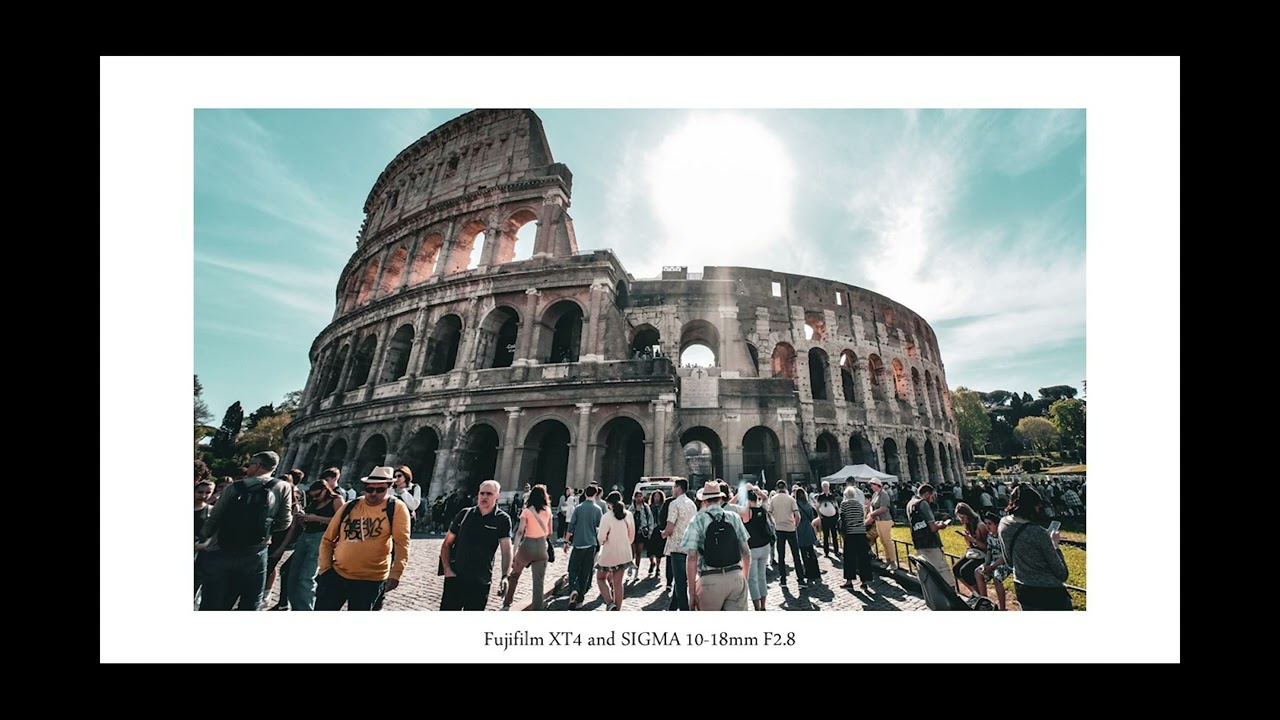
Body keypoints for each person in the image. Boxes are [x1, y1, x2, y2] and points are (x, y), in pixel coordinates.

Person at [195, 451, 294, 610]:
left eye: (250, 465)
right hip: (256, 551)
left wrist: (203, 538)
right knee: (251, 600)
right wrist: (265, 530)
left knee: (213, 599)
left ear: (258, 466)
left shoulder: (234, 486)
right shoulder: (283, 487)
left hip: (223, 547)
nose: (248, 468)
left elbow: (215, 517)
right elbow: (285, 521)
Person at [315, 466, 411, 611]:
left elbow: (402, 542)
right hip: (337, 575)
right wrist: (325, 569)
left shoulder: (396, 507)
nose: (373, 493)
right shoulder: (350, 506)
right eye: (369, 489)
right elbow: (328, 539)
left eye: (380, 490)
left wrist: (396, 574)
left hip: (371, 580)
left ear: (389, 488)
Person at [439, 480, 513, 611]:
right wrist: (447, 570)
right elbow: (447, 544)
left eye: (489, 494)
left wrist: (505, 576)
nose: (484, 497)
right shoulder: (465, 514)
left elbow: (506, 550)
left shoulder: (503, 519)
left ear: (497, 496)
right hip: (456, 578)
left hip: (481, 582)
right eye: (482, 493)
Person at [998, 484, 1071, 611]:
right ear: (1031, 507)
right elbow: (1062, 573)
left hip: (1023, 589)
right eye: (1037, 506)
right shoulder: (1038, 533)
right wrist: (1055, 545)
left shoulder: (1003, 524)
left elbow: (1009, 561)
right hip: (1050, 593)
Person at [681, 481, 751, 611]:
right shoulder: (734, 517)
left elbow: (691, 558)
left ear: (704, 501)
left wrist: (692, 591)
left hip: (709, 580)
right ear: (720, 499)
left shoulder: (697, 520)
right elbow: (746, 553)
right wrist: (744, 578)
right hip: (735, 576)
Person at [287, 478, 345, 610]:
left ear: (325, 490)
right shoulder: (314, 501)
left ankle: (305, 609)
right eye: (313, 496)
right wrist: (304, 518)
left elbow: (341, 521)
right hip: (305, 535)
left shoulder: (336, 499)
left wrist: (316, 518)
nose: (315, 498)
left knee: (306, 578)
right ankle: (295, 607)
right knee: (293, 575)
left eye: (318, 495)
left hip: (321, 537)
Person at [501, 483, 553, 611]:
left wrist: (514, 551)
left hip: (527, 546)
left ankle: (507, 603)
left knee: (514, 576)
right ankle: (537, 610)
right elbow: (550, 532)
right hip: (541, 547)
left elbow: (519, 532)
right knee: (538, 583)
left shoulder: (527, 511)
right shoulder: (548, 511)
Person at [907, 482, 955, 587]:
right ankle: (950, 593)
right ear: (927, 494)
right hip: (931, 543)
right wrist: (943, 524)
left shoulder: (910, 503)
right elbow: (933, 528)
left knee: (928, 571)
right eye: (932, 496)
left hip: (919, 542)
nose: (932, 500)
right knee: (942, 570)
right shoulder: (923, 503)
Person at [564, 484, 604, 610]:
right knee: (585, 572)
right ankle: (580, 599)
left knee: (573, 569)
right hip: (591, 544)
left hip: (578, 544)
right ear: (596, 494)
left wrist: (566, 541)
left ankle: (574, 589)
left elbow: (571, 526)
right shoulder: (598, 509)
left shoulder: (578, 508)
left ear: (585, 493)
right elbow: (600, 528)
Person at [661, 478, 699, 610]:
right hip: (690, 546)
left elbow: (670, 527)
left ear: (678, 488)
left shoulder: (674, 504)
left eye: (673, 487)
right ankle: (673, 607)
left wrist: (663, 533)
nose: (672, 490)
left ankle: (684, 609)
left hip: (677, 547)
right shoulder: (692, 504)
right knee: (682, 580)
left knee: (680, 582)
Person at [595, 491, 636, 610]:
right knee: (618, 583)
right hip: (624, 553)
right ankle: (617, 610)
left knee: (601, 578)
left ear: (609, 503)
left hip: (609, 553)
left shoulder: (606, 517)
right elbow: (631, 536)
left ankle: (609, 602)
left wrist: (604, 541)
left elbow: (601, 537)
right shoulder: (628, 515)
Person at [766, 480, 803, 588]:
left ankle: (783, 580)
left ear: (777, 488)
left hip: (779, 528)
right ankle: (800, 579)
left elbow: (769, 513)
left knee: (781, 556)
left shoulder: (773, 499)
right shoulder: (791, 499)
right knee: (796, 555)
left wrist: (774, 522)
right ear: (786, 487)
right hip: (790, 528)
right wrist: (795, 525)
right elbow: (798, 515)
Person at [742, 486, 773, 610]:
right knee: (762, 577)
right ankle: (763, 605)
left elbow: (732, 506)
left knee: (752, 579)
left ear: (748, 501)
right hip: (765, 546)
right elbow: (765, 499)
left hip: (753, 548)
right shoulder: (762, 509)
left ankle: (757, 607)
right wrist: (759, 492)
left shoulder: (747, 513)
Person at [952, 502, 990, 601]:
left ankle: (982, 598)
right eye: (960, 518)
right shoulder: (968, 525)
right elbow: (970, 546)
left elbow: (987, 547)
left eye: (962, 517)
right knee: (956, 569)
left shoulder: (980, 526)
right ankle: (975, 593)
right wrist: (966, 538)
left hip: (984, 554)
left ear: (968, 514)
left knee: (965, 571)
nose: (962, 520)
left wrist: (973, 540)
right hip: (975, 553)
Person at [838, 484, 872, 590]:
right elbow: (862, 517)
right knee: (863, 557)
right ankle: (864, 581)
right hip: (861, 532)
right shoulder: (859, 505)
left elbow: (842, 518)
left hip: (850, 533)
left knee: (849, 558)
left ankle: (849, 581)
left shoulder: (844, 504)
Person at [980, 511, 1010, 610]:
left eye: (990, 524)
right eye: (986, 524)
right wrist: (986, 564)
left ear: (996, 524)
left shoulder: (1003, 536)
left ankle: (1002, 608)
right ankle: (985, 602)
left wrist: (992, 567)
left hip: (1005, 562)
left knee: (997, 577)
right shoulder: (990, 536)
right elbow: (989, 552)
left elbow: (1005, 556)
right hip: (993, 562)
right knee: (978, 572)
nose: (987, 526)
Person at [866, 478, 898, 569]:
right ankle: (888, 561)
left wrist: (872, 514)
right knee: (883, 541)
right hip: (878, 520)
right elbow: (872, 505)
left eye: (872, 485)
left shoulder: (884, 494)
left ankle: (893, 562)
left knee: (888, 541)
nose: (871, 487)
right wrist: (872, 513)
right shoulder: (875, 494)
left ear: (877, 485)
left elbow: (883, 508)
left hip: (885, 520)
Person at [794, 487, 821, 586]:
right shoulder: (808, 505)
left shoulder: (796, 505)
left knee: (803, 552)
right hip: (809, 528)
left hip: (800, 529)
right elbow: (813, 517)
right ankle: (816, 571)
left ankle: (808, 572)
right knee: (811, 551)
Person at [627, 490, 654, 580]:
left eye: (640, 496)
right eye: (637, 496)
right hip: (633, 531)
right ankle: (630, 568)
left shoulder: (646, 508)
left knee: (639, 552)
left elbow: (650, 520)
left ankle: (636, 571)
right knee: (632, 552)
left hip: (642, 532)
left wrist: (650, 532)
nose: (638, 498)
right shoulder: (631, 508)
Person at [814, 480, 842, 557]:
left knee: (834, 535)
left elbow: (836, 506)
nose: (826, 488)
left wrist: (837, 515)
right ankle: (826, 552)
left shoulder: (832, 496)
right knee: (826, 536)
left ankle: (836, 551)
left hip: (833, 518)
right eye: (824, 487)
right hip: (824, 519)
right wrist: (820, 516)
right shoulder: (820, 497)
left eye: (827, 486)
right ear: (822, 488)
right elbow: (817, 507)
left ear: (829, 487)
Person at [644, 489, 667, 578]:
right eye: (655, 496)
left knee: (658, 550)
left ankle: (658, 567)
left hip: (659, 529)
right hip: (651, 530)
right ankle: (652, 563)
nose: (656, 498)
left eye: (658, 496)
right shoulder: (649, 507)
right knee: (650, 550)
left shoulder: (663, 507)